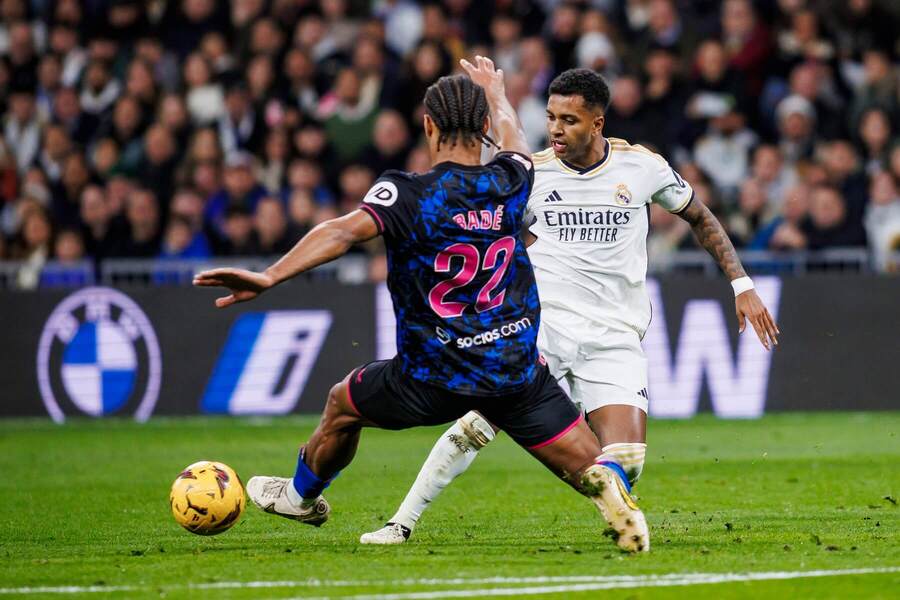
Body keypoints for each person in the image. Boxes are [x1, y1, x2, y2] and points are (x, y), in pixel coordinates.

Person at [193, 57, 650, 552]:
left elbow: (342, 231)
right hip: (513, 371)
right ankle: (608, 491)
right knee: (594, 466)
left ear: (428, 125)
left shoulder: (408, 194)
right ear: (482, 128)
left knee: (342, 404)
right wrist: (495, 93)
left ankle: (301, 495)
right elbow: (515, 136)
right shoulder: (513, 179)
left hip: (432, 376)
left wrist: (269, 275)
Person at [361, 68, 779, 545]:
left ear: (597, 123)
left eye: (570, 120)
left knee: (626, 465)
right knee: (475, 426)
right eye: (551, 118)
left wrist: (740, 284)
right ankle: (401, 523)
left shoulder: (642, 167)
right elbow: (488, 228)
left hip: (615, 335)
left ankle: (590, 453)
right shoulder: (531, 173)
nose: (556, 129)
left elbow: (699, 217)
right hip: (544, 330)